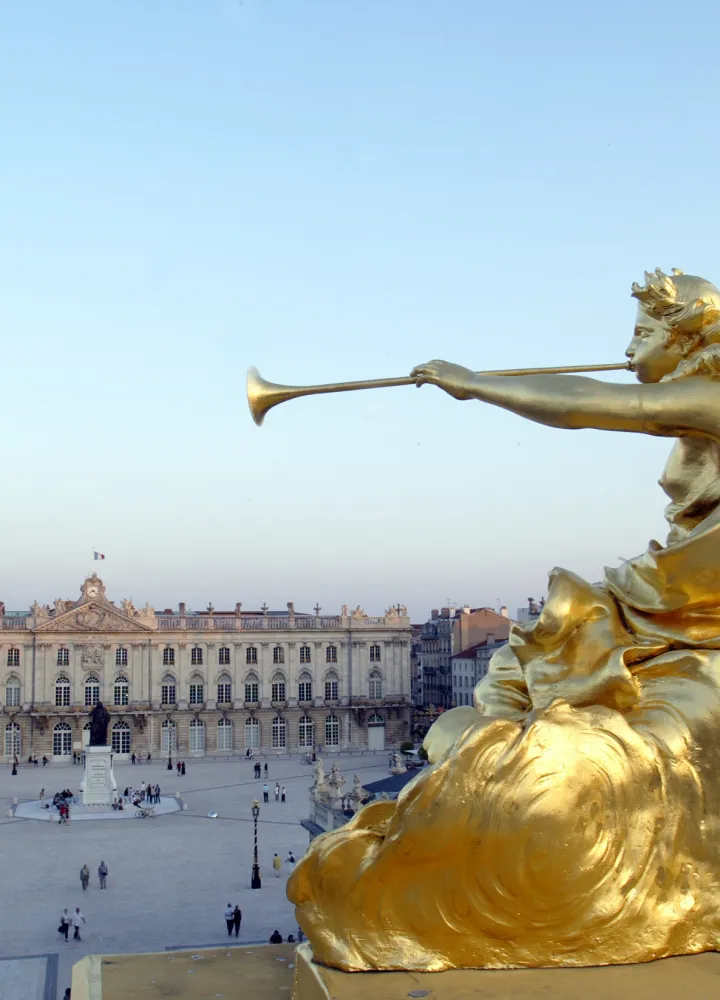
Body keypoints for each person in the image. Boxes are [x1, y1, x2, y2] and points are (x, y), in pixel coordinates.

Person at [288, 268, 720, 971]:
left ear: (688, 338)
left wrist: (477, 384)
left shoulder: (709, 396)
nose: (629, 346)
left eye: (643, 333)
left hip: (691, 612)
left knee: (567, 659)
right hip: (671, 604)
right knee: (532, 661)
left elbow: (589, 403)